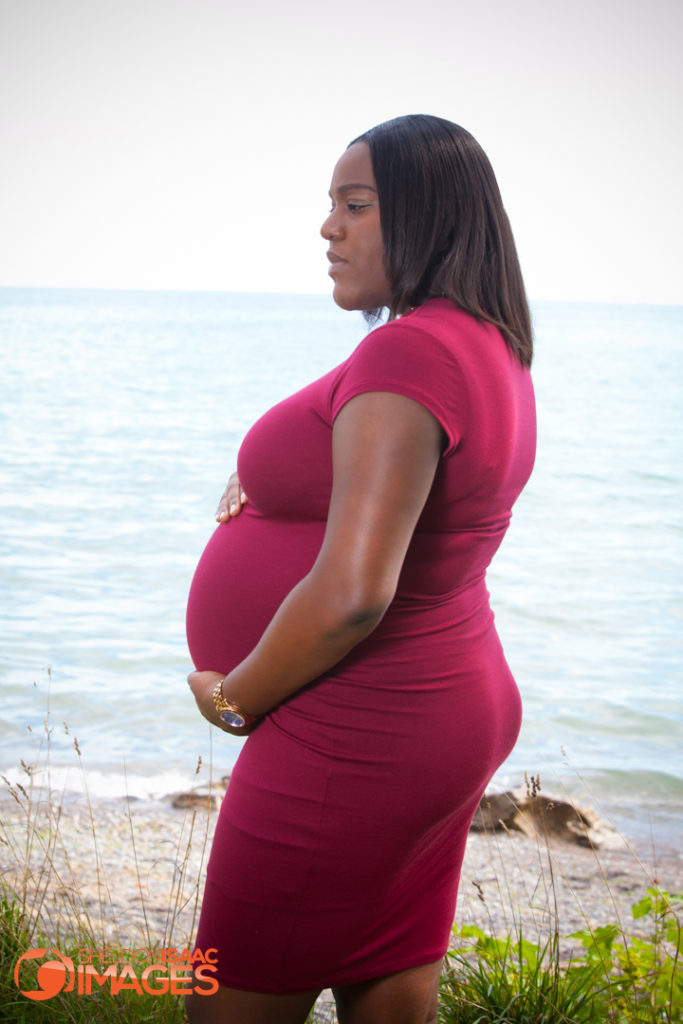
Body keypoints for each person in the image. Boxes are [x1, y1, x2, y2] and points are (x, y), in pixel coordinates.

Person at [184, 114, 536, 1024]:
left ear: (424, 216)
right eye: (330, 205)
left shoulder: (407, 350)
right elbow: (415, 501)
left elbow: (351, 596)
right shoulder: (484, 344)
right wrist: (267, 485)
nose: (327, 228)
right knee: (386, 987)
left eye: (355, 204)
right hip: (437, 716)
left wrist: (236, 699)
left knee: (230, 1003)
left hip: (356, 734)